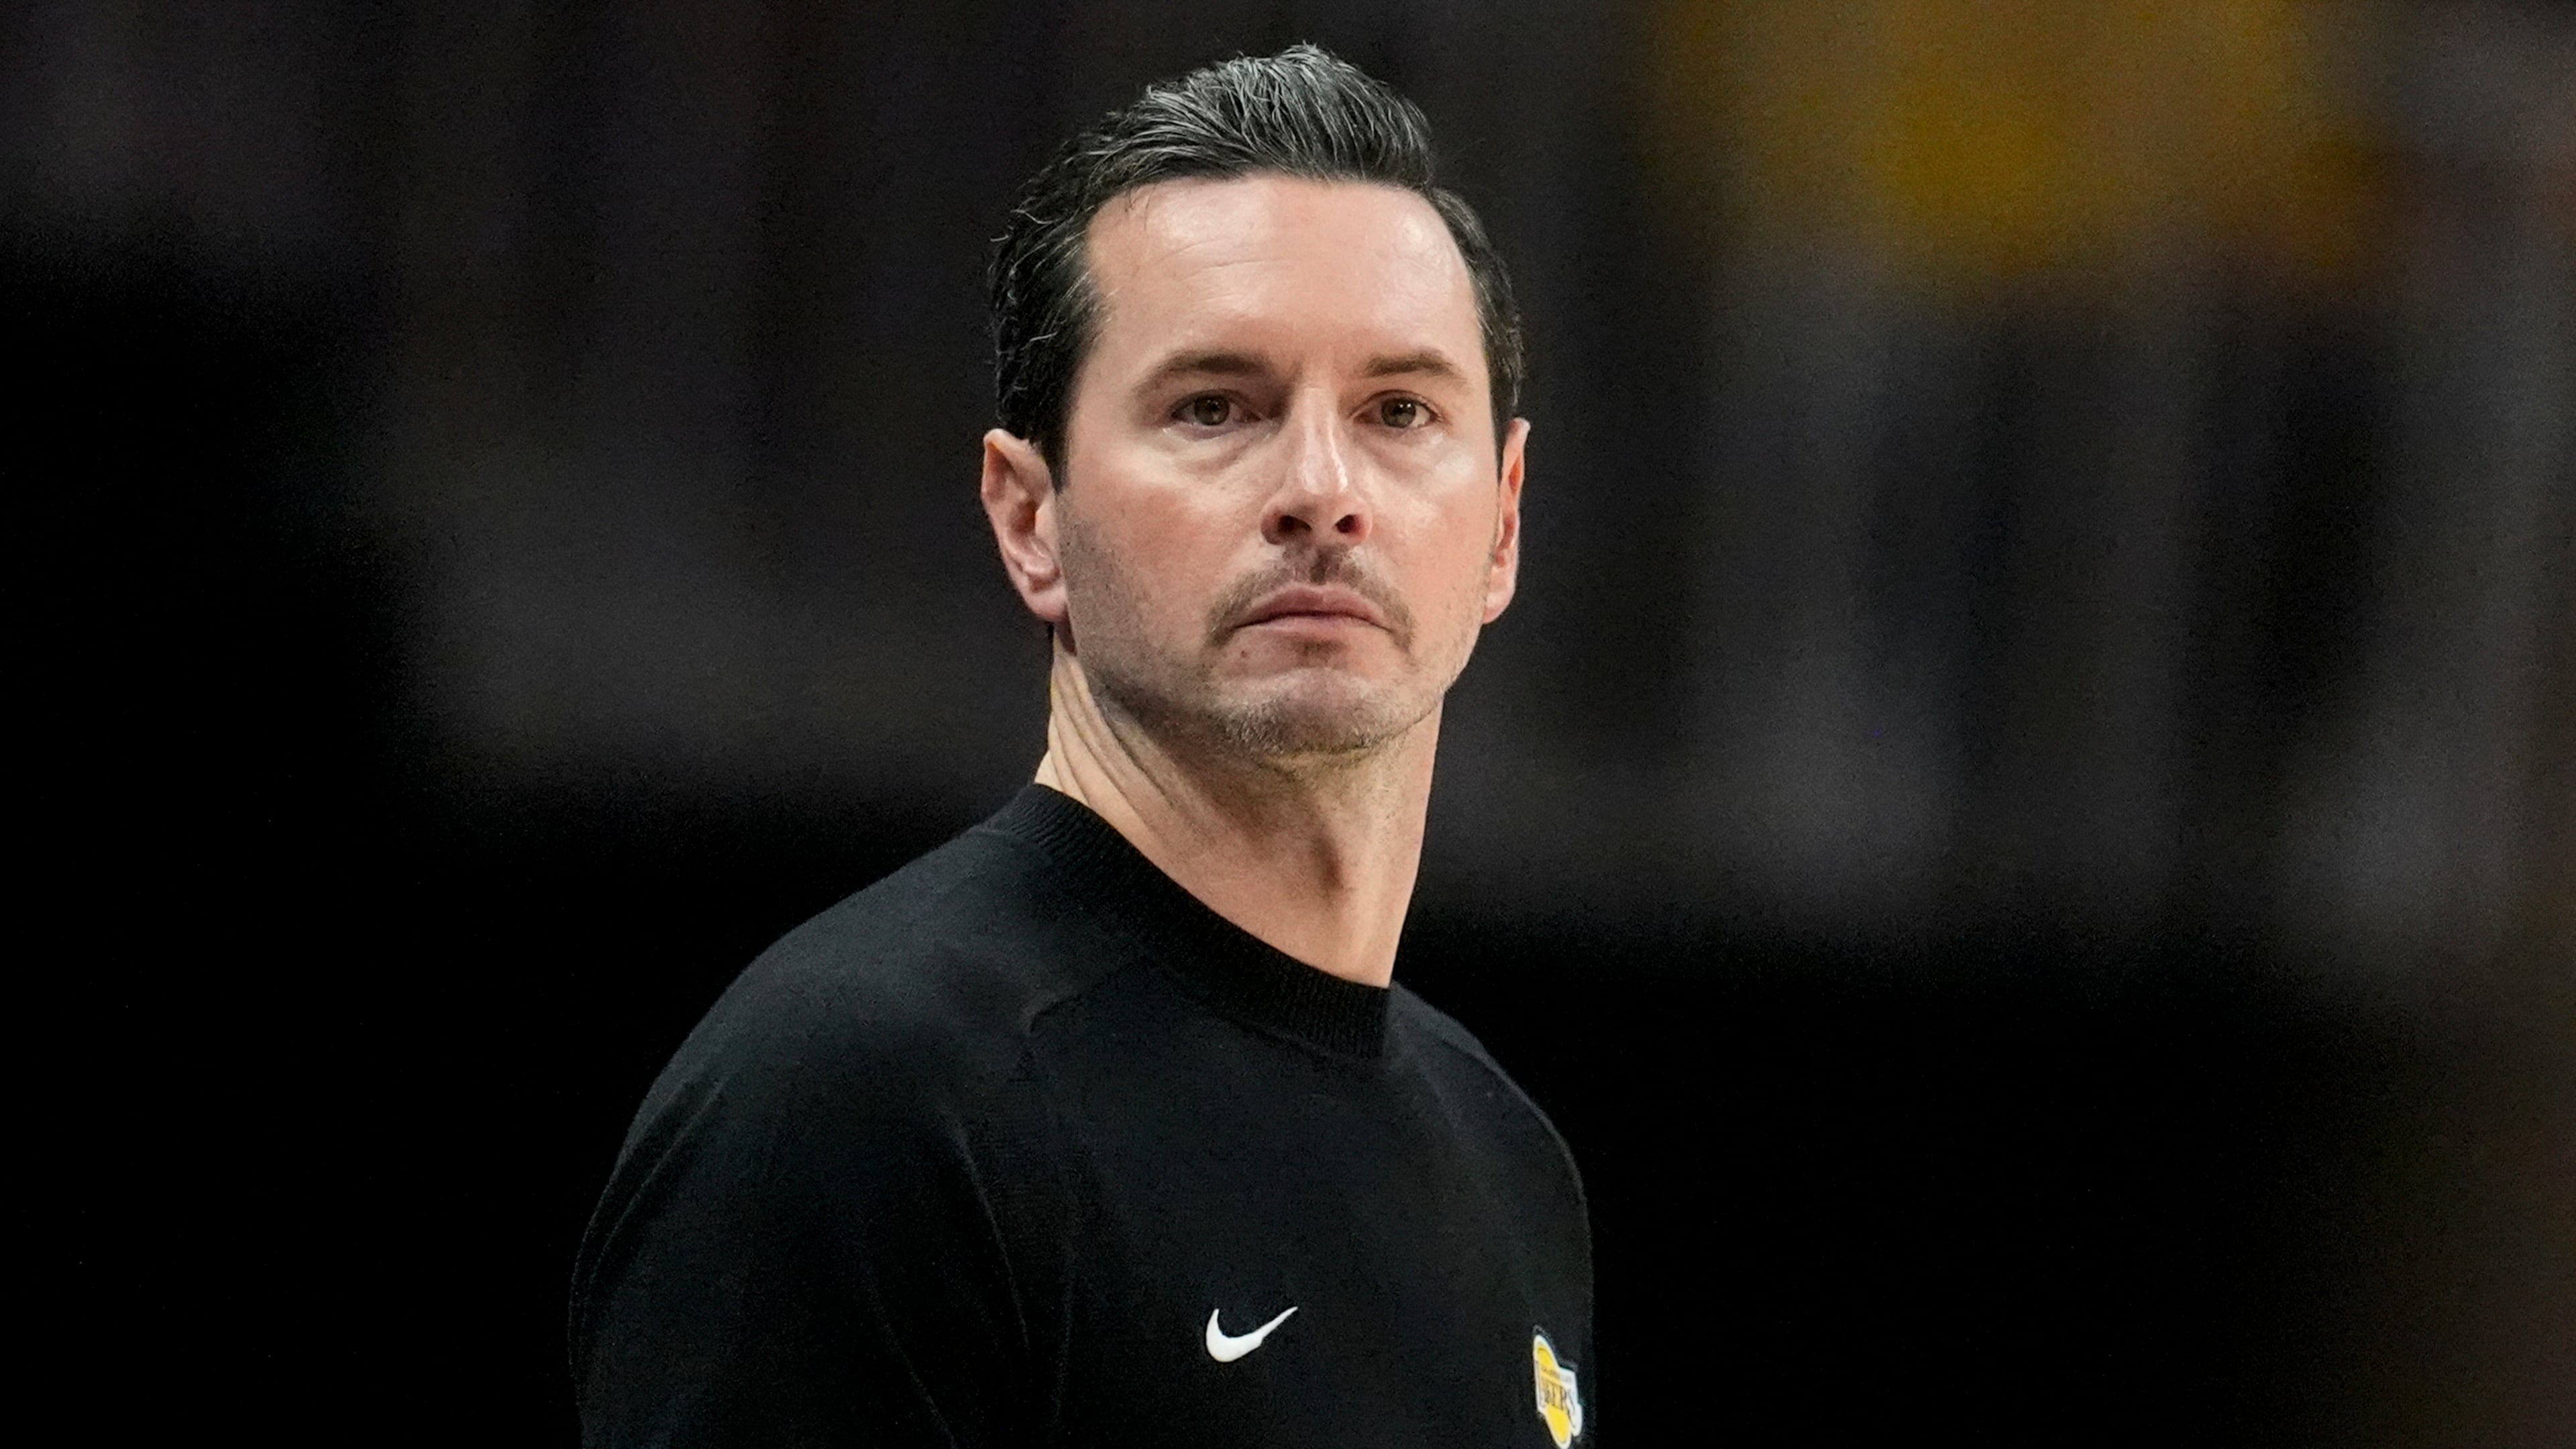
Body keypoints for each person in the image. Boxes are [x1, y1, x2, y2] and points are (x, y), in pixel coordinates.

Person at [571, 45, 1592, 1448]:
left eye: (1400, 411)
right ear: (1029, 517)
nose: (1320, 490)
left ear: (1507, 520)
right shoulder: (864, 1101)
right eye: (1214, 407)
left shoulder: (1507, 1162)